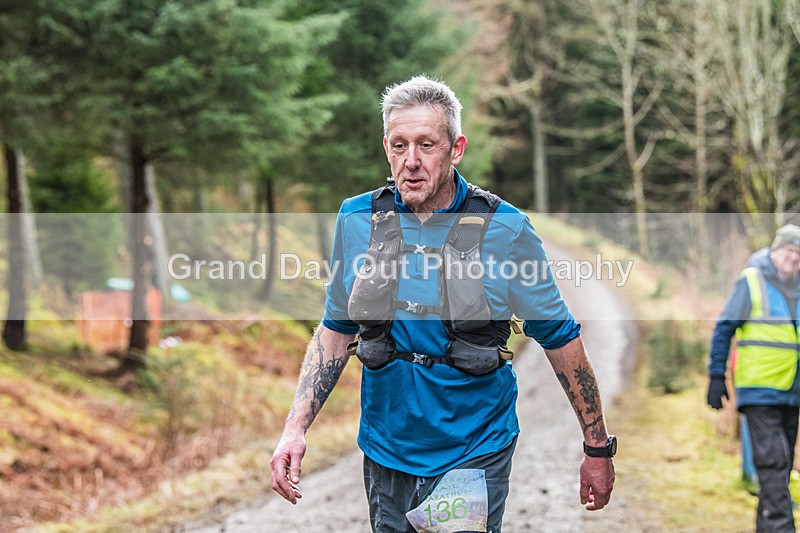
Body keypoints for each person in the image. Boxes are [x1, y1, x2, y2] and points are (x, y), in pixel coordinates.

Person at [270, 75, 616, 532]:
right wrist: (294, 429)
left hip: (474, 449)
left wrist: (596, 447)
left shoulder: (506, 229)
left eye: (426, 145)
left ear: (456, 149)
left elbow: (559, 339)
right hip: (386, 449)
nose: (411, 161)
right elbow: (336, 328)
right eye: (399, 146)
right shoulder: (356, 218)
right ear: (386, 148)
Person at [708, 223, 800, 532]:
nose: (795, 258)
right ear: (775, 251)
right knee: (773, 463)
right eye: (790, 251)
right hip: (759, 390)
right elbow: (724, 328)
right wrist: (716, 375)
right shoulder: (752, 281)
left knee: (779, 469)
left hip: (792, 391)